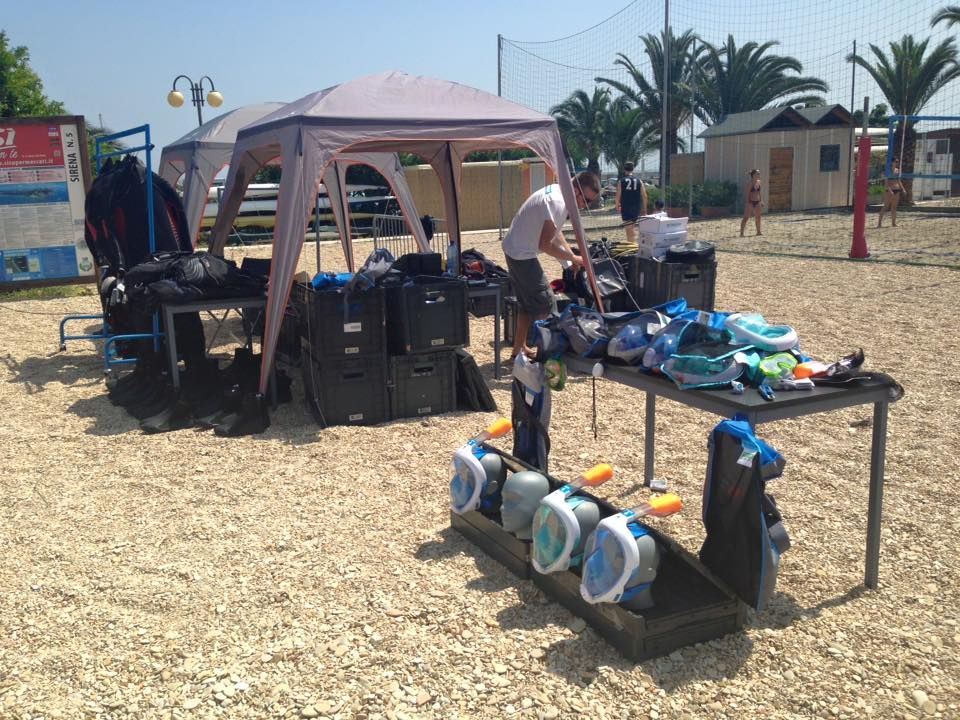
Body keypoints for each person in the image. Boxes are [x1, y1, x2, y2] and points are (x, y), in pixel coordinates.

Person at [502, 171, 600, 360]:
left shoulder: (558, 192)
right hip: (521, 253)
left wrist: (569, 261)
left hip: (515, 248)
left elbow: (555, 234)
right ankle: (545, 357)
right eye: (586, 200)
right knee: (546, 303)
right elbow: (545, 244)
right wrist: (575, 259)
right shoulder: (558, 202)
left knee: (527, 305)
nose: (584, 206)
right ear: (576, 191)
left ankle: (519, 350)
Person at [615, 162, 648, 244]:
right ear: (633, 169)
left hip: (626, 207)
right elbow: (644, 196)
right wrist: (645, 209)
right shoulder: (639, 181)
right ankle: (632, 243)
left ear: (624, 169)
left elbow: (618, 195)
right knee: (631, 227)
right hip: (636, 207)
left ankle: (632, 245)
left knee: (629, 229)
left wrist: (617, 205)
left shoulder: (621, 181)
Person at [878, 161, 905, 228]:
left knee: (894, 207)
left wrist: (903, 189)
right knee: (886, 206)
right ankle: (879, 224)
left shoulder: (897, 170)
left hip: (896, 190)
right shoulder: (887, 171)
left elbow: (899, 181)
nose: (896, 163)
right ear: (892, 162)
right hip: (889, 190)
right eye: (895, 161)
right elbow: (886, 183)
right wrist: (890, 191)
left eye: (897, 162)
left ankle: (893, 223)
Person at [740, 169, 763, 237]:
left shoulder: (758, 182)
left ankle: (758, 232)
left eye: (759, 174)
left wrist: (761, 201)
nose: (759, 175)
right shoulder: (750, 183)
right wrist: (748, 203)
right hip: (750, 202)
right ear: (753, 175)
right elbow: (747, 194)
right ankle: (741, 233)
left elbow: (759, 192)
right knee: (746, 218)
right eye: (757, 174)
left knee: (758, 217)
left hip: (757, 201)